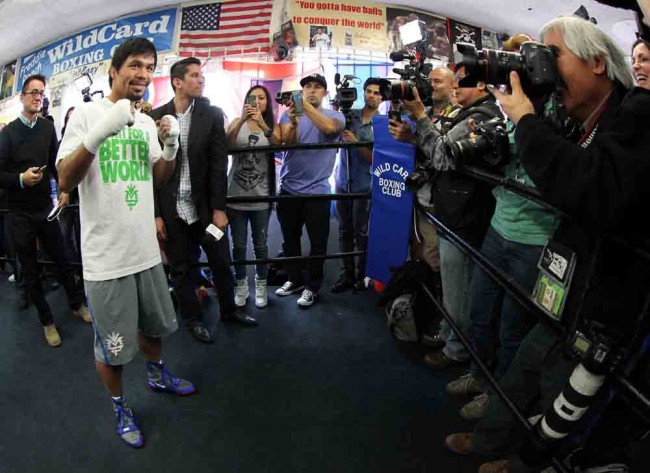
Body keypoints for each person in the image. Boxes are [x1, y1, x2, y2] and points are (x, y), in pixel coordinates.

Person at [444, 17, 650, 473]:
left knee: (567, 396)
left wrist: (526, 118)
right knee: (524, 368)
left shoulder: (634, 111)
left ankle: (525, 462)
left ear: (597, 62)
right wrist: (529, 109)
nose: (545, 71)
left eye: (552, 57)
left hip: (604, 304)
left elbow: (586, 185)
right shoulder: (574, 114)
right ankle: (491, 439)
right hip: (565, 283)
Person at [56, 38, 196, 449]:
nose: (143, 74)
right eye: (135, 65)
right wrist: (101, 130)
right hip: (106, 259)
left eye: (150, 67)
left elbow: (158, 178)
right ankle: (119, 405)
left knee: (154, 329)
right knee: (112, 349)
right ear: (113, 71)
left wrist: (170, 146)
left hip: (146, 253)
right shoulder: (85, 114)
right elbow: (65, 179)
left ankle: (157, 374)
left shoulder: (149, 122)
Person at [392, 66, 503, 370]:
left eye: (460, 81)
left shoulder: (482, 116)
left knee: (459, 288)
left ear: (481, 84)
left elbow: (441, 155)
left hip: (464, 216)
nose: (454, 88)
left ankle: (457, 349)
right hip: (453, 210)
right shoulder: (463, 113)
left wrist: (419, 117)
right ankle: (451, 334)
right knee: (453, 285)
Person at [151, 57, 258, 345]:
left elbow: (217, 164)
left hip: (204, 209)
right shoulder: (156, 117)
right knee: (181, 269)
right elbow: (149, 171)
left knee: (221, 262)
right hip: (172, 210)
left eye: (201, 76)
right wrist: (156, 215)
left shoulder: (211, 114)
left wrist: (219, 209)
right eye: (195, 75)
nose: (201, 80)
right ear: (177, 82)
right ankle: (193, 320)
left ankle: (229, 311)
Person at [0, 73, 89, 347]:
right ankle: (47, 321)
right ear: (22, 97)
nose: (39, 96)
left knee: (63, 259)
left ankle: (77, 304)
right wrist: (20, 180)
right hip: (20, 214)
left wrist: (63, 189)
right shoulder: (8, 133)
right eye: (34, 92)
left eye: (42, 92)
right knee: (30, 269)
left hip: (45, 209)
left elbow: (54, 163)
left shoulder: (48, 128)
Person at [275, 73, 345, 307]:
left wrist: (303, 105)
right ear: (302, 90)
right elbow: (288, 142)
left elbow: (329, 129)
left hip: (318, 191)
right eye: (307, 87)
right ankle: (294, 280)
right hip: (289, 189)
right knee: (290, 240)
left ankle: (312, 287)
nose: (312, 90)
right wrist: (294, 120)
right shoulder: (288, 114)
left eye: (317, 87)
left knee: (318, 242)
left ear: (325, 93)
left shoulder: (336, 115)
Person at [226, 85, 280, 308]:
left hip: (261, 196)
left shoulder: (271, 126)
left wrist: (262, 124)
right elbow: (226, 146)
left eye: (262, 98)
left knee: (260, 245)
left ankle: (260, 283)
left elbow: (279, 145)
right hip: (236, 195)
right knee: (238, 246)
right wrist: (241, 120)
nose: (257, 101)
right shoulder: (235, 122)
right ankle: (240, 283)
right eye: (253, 97)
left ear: (267, 102)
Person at [330, 77, 381, 293]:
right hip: (342, 182)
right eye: (368, 91)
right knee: (344, 230)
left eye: (376, 92)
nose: (371, 95)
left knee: (361, 233)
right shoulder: (349, 115)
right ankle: (346, 274)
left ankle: (362, 274)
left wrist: (357, 143)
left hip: (364, 185)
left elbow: (376, 159)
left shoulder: (382, 124)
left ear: (382, 97)